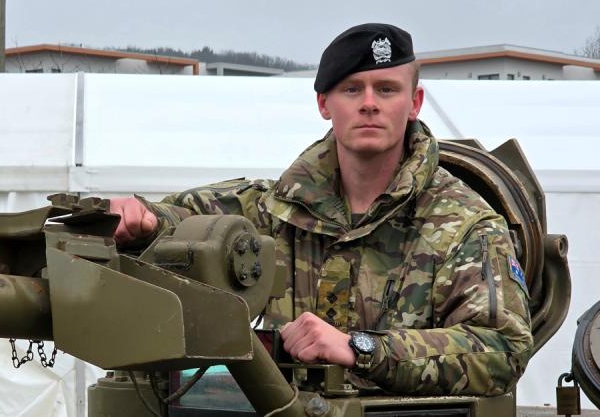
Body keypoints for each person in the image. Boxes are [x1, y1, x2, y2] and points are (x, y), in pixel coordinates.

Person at [109, 23, 532, 396]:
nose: (369, 103)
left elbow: (502, 348)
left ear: (414, 102)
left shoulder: (463, 224)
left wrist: (362, 348)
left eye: (387, 89)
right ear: (324, 104)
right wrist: (143, 218)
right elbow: (186, 219)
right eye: (352, 89)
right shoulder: (276, 210)